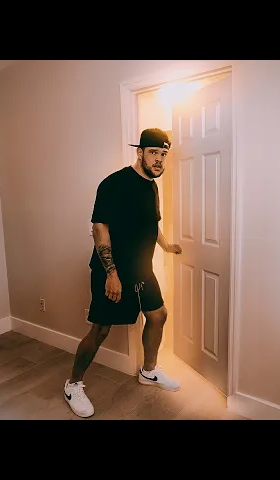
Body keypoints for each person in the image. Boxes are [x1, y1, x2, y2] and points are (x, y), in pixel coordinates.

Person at [64, 127, 183, 418]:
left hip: (142, 270)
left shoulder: (151, 186)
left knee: (158, 315)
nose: (159, 159)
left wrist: (167, 246)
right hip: (113, 271)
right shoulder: (114, 183)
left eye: (163, 154)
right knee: (101, 330)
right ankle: (73, 384)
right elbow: (99, 228)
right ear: (140, 153)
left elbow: (151, 224)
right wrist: (112, 274)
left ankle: (148, 371)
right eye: (153, 152)